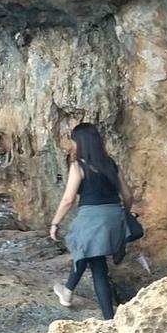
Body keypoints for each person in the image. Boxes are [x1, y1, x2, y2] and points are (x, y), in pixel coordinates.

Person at [47, 122, 131, 320]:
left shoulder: (79, 166)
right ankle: (67, 291)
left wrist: (55, 223)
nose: (73, 146)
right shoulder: (111, 164)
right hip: (114, 217)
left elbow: (68, 199)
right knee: (88, 254)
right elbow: (128, 195)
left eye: (74, 141)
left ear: (80, 142)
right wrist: (123, 215)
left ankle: (109, 320)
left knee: (98, 267)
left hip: (92, 219)